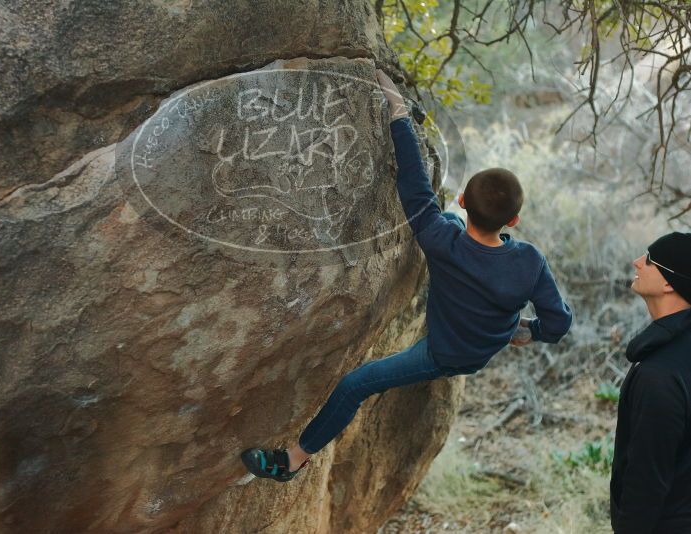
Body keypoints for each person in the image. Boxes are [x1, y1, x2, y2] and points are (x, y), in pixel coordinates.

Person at [240, 68, 573, 482]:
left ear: (464, 199)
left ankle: (291, 461)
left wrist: (398, 111)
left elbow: (414, 183)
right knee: (454, 233)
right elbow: (558, 324)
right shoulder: (529, 260)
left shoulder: (439, 239)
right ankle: (504, 324)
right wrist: (528, 331)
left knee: (355, 384)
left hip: (445, 354)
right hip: (486, 340)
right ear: (515, 220)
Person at [610, 232, 691, 533]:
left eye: (649, 259)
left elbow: (646, 481)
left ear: (670, 282)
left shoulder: (659, 374)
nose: (637, 262)